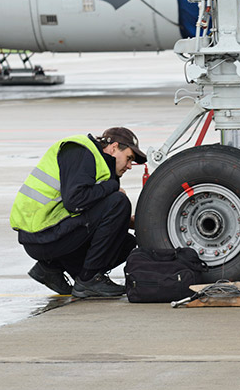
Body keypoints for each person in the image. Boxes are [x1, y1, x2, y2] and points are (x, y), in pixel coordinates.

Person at [10, 127, 147, 298]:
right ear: (114, 147)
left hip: (52, 231)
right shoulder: (82, 151)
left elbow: (93, 211)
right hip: (40, 233)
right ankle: (89, 280)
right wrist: (113, 188)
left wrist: (128, 221)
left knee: (125, 243)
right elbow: (75, 202)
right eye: (129, 158)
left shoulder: (102, 165)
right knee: (119, 202)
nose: (129, 166)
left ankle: (52, 268)